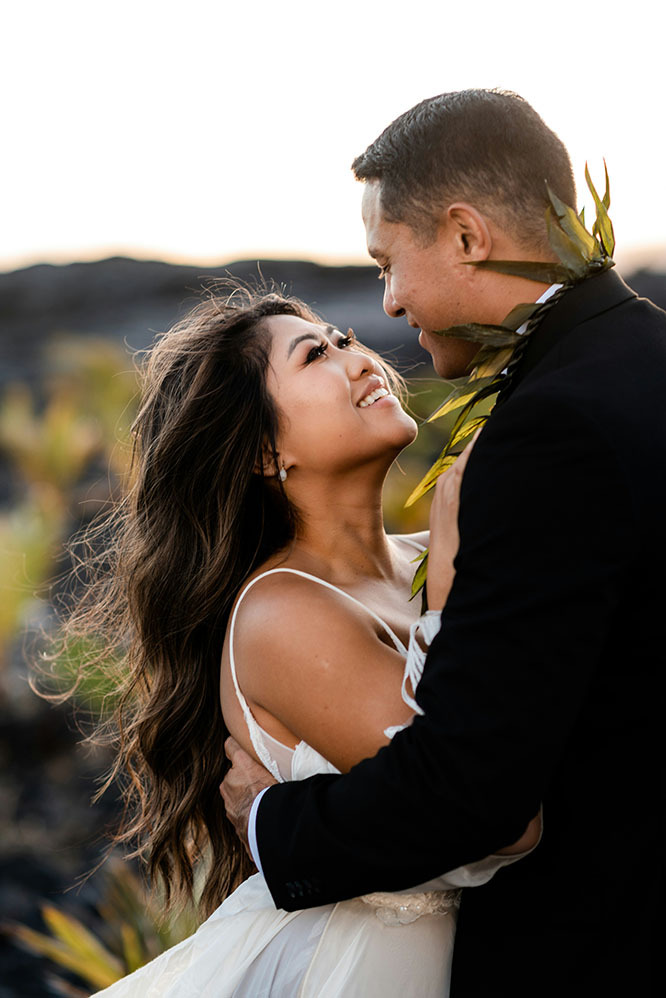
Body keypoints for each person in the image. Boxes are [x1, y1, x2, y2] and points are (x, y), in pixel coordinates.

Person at [221, 89, 665, 996]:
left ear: (465, 236)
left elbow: (476, 790)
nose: (387, 308)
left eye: (388, 262)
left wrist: (274, 825)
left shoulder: (550, 431)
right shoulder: (636, 361)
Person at [83, 288, 538, 997]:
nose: (359, 358)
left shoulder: (433, 554)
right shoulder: (282, 613)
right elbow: (490, 813)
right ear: (267, 450)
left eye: (344, 339)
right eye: (316, 354)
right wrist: (449, 595)